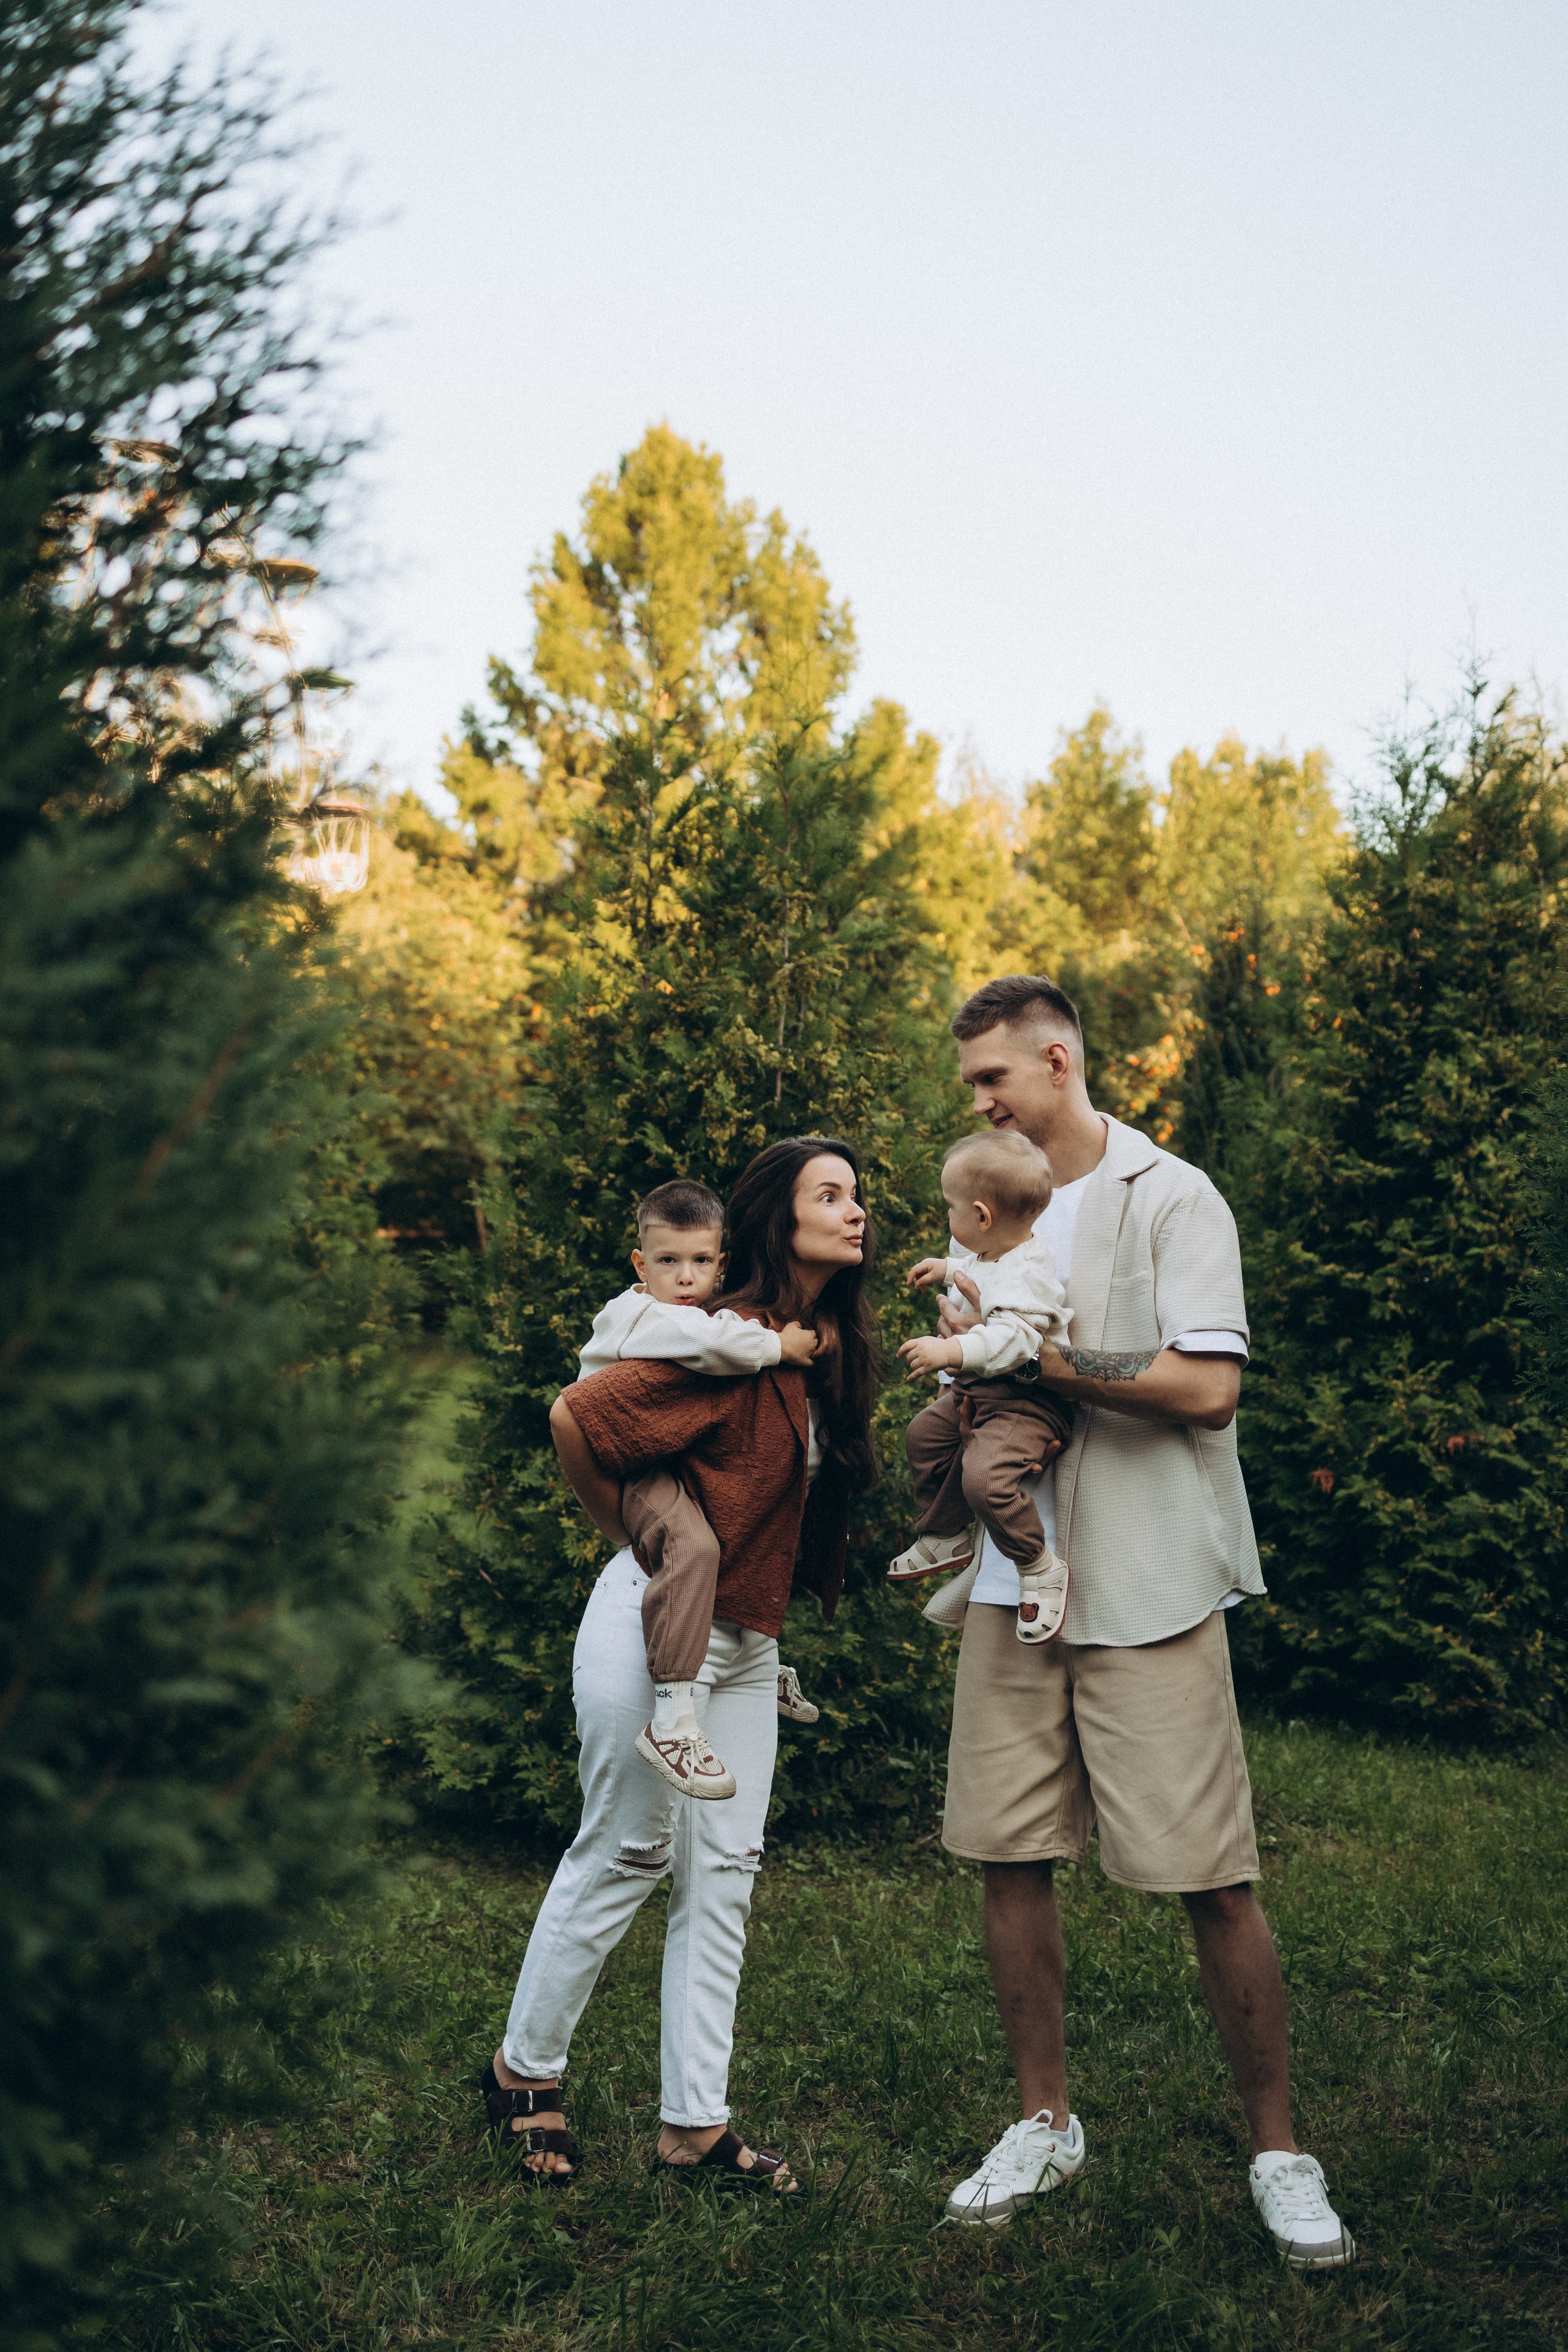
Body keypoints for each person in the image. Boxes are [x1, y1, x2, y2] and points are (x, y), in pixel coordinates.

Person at [923, 973, 1354, 2269]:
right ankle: (1042, 2121)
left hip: (1150, 1583)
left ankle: (1279, 2149)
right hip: (1018, 1584)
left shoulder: (1170, 1195)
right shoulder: (988, 1200)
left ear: (1056, 1060)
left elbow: (1209, 1387)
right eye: (971, 1088)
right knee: (1006, 1855)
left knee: (1209, 1877)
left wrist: (1041, 1364)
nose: (980, 1100)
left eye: (993, 1077)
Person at [480, 1137, 878, 2190]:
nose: (855, 1209)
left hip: (747, 1645)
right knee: (627, 1852)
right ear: (775, 1217)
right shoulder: (723, 1337)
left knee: (725, 1878)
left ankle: (693, 2128)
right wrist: (636, 1542)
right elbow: (579, 1415)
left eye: (857, 1194)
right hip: (652, 1625)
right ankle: (525, 2073)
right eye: (828, 1194)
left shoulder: (818, 1342)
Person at [577, 1175, 824, 1800]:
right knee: (695, 1548)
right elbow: (707, 1344)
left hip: (667, 1455)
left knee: (744, 1513)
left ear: (721, 1263)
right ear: (641, 1264)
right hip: (635, 1467)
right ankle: (671, 1717)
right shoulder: (636, 1315)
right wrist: (779, 1345)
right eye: (668, 1262)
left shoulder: (689, 1309)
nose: (685, 1278)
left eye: (700, 1263)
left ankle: (749, 1655)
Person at [888, 1130, 1074, 1642]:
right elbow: (980, 1268)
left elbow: (1015, 1342)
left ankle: (1038, 1565)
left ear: (981, 1216)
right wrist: (946, 1267)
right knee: (925, 1435)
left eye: (951, 1208)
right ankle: (948, 1533)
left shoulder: (1031, 1275)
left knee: (986, 1479)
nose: (947, 1217)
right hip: (981, 1395)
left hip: (1028, 1404)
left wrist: (949, 1351)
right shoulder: (998, 1250)